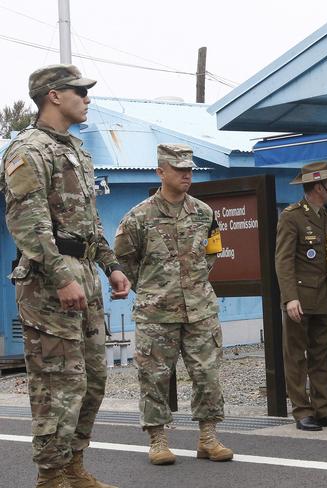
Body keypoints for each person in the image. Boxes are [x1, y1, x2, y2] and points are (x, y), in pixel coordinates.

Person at [0, 64, 130, 488]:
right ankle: (51, 475)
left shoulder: (76, 149)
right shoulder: (28, 150)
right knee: (58, 383)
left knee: (93, 379)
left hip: (84, 275)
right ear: (54, 95)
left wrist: (110, 265)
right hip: (48, 280)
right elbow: (27, 222)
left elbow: (89, 221)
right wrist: (60, 276)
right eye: (80, 90)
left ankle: (74, 466)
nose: (87, 97)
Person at [113, 143, 233, 465]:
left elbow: (212, 252)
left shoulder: (204, 213)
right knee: (154, 377)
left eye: (190, 169)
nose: (186, 175)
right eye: (179, 169)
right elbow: (122, 260)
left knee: (207, 374)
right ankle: (158, 440)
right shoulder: (138, 217)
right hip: (156, 313)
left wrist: (193, 284)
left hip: (201, 310)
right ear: (161, 172)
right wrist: (151, 288)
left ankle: (208, 438)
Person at [275, 161, 327, 431]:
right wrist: (289, 298)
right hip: (300, 298)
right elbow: (283, 261)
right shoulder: (292, 216)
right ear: (318, 187)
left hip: (326, 297)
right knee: (296, 356)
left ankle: (322, 409)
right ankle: (302, 411)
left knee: (321, 355)